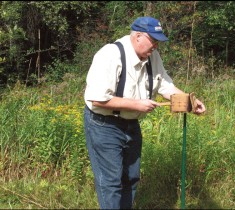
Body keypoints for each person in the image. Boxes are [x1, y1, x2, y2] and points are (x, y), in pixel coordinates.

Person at [83, 16, 206, 209]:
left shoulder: (151, 56)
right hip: (104, 124)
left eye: (158, 41)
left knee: (131, 178)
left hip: (131, 124)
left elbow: (165, 85)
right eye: (153, 40)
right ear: (138, 36)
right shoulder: (109, 55)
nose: (156, 46)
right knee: (111, 182)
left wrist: (191, 102)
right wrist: (136, 105)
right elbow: (97, 98)